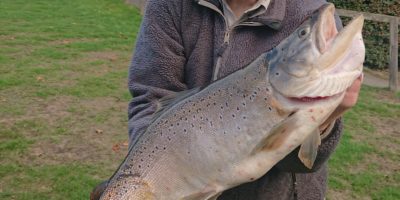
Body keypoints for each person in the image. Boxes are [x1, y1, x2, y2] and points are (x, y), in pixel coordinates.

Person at [92, 0, 363, 199]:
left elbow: (305, 164)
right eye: (305, 37)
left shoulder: (309, 12)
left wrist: (326, 120)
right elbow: (151, 99)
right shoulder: (169, 6)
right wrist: (173, 174)